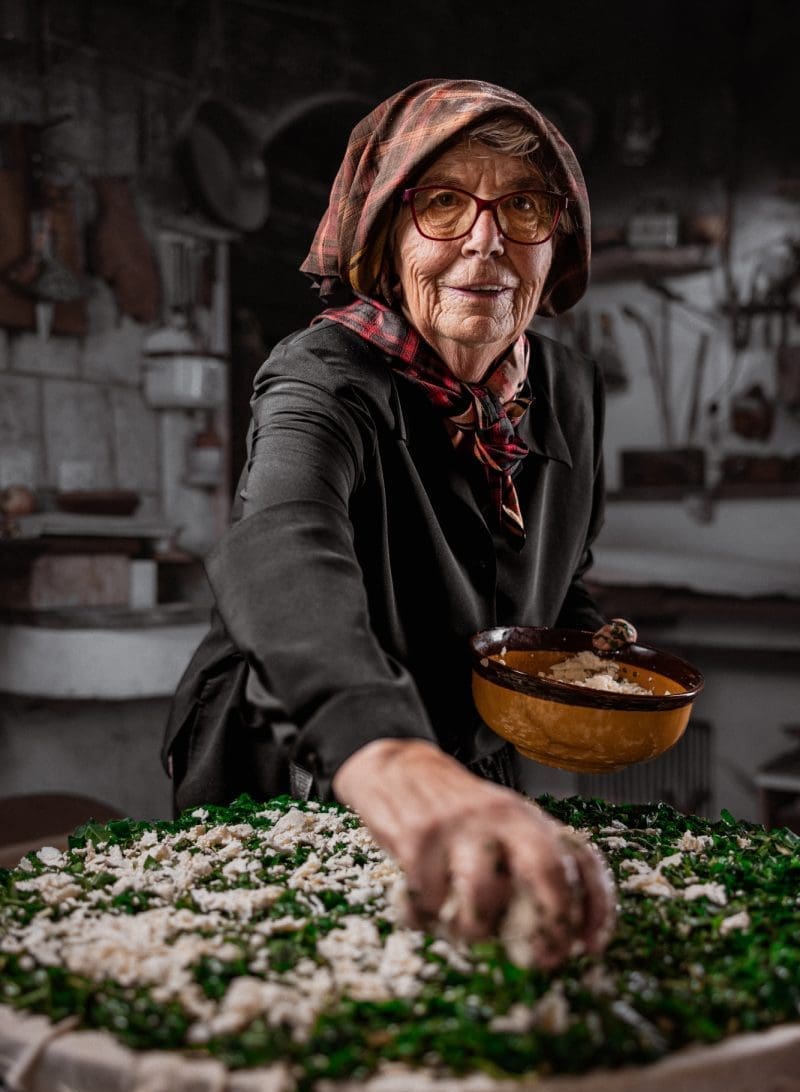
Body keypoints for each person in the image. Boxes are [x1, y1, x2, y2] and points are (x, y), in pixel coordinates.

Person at [163, 78, 631, 970]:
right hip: (307, 755)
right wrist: (387, 753)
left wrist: (585, 666)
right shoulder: (323, 374)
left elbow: (560, 574)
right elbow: (282, 542)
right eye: (444, 204)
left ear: (557, 241)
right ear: (385, 232)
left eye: (524, 206)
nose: (486, 240)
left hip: (461, 760)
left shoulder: (570, 389)